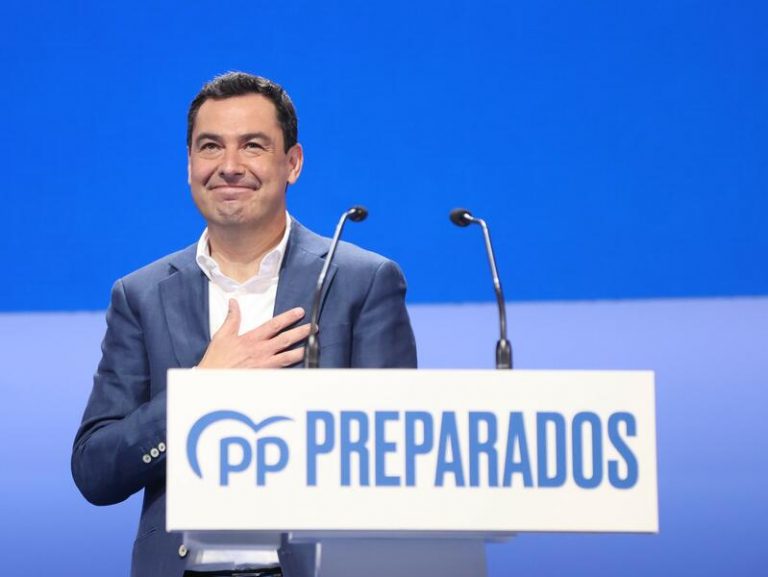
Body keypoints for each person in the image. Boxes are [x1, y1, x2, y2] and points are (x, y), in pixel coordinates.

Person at [71, 72, 417, 577]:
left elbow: (397, 457)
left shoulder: (361, 282)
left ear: (292, 163)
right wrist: (200, 391)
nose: (229, 166)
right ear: (190, 164)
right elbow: (95, 471)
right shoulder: (141, 295)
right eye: (210, 146)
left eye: (253, 146)